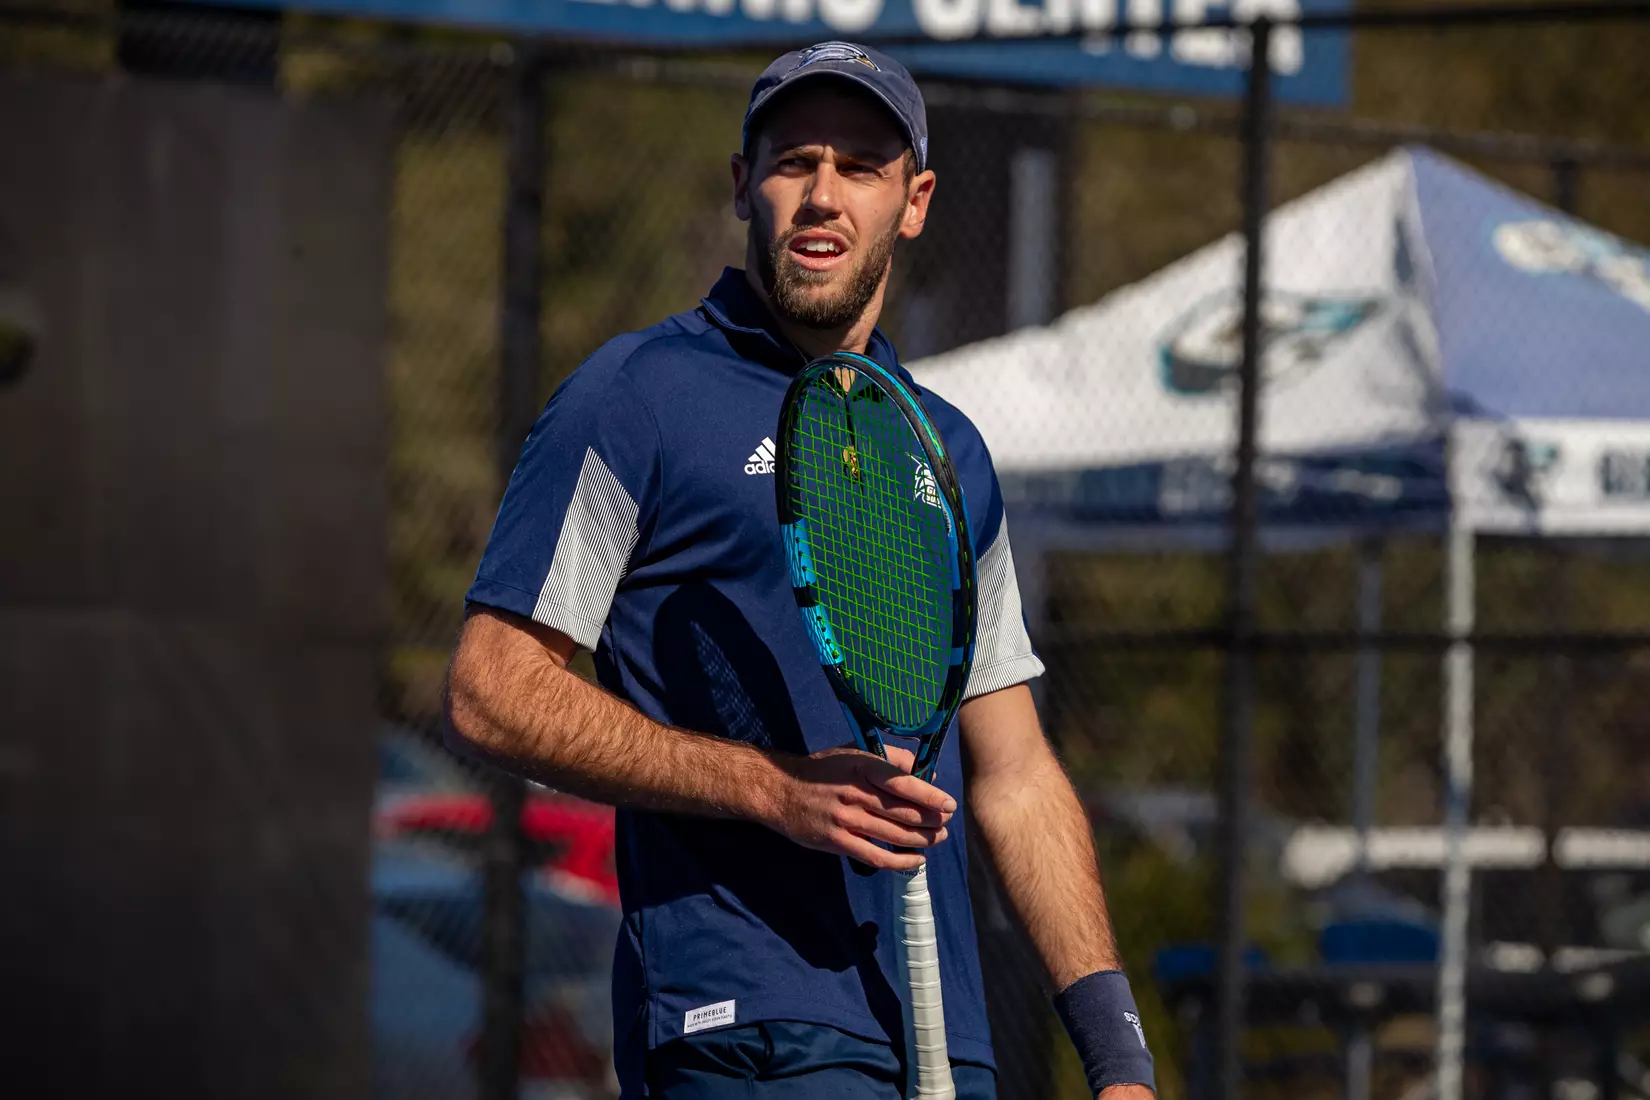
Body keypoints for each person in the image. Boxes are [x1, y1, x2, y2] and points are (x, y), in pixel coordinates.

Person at [444, 39, 1155, 1100]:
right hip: (743, 1032)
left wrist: (1117, 1056)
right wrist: (767, 787)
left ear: (914, 203)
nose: (824, 194)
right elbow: (490, 689)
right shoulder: (638, 396)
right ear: (745, 185)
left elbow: (1015, 775)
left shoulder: (948, 451)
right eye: (794, 161)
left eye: (861, 166)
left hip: (942, 1045)